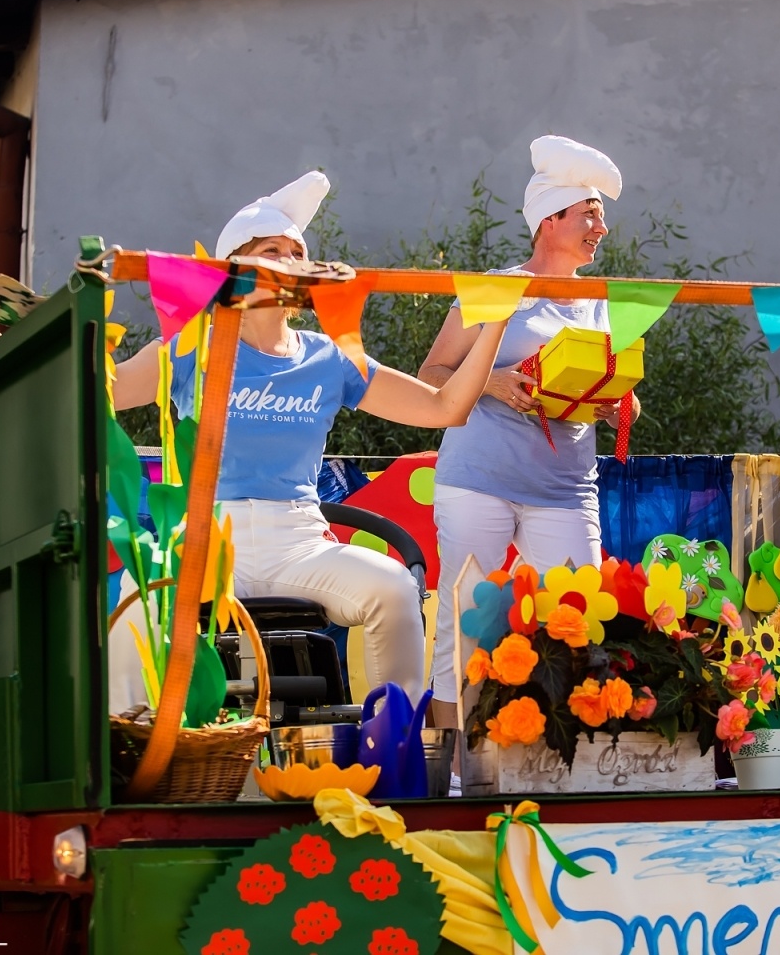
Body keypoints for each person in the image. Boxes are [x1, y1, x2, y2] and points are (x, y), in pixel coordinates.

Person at [108, 171, 507, 707]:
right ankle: (133, 760)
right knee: (135, 603)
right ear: (233, 269)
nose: (288, 260)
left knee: (393, 588)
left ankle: (394, 750)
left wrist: (497, 322)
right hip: (204, 537)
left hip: (295, 541)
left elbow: (445, 407)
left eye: (297, 252)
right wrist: (12, 344)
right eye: (271, 250)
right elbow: (103, 388)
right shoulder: (189, 346)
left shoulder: (330, 357)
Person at [420, 135, 636, 727]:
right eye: (590, 213)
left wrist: (620, 406)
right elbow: (431, 372)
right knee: (467, 620)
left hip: (565, 489)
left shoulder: (599, 300)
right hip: (478, 481)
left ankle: (564, 758)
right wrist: (492, 381)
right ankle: (452, 766)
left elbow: (611, 391)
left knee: (580, 622)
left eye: (601, 215)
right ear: (550, 219)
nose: (602, 227)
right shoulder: (495, 286)